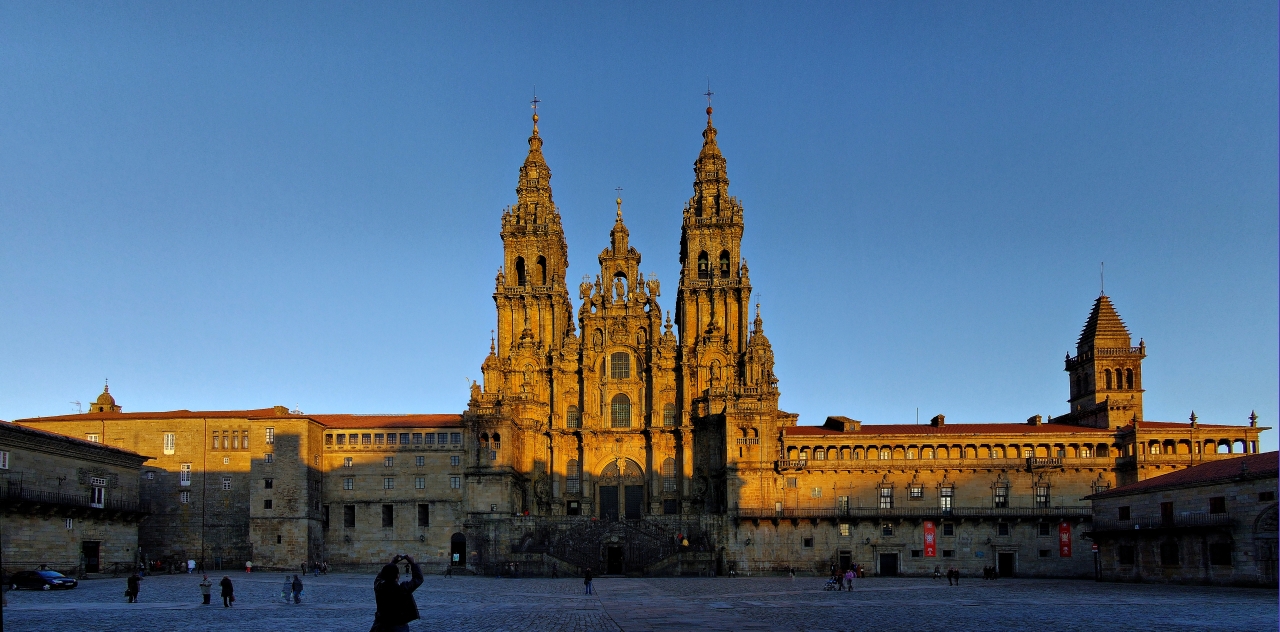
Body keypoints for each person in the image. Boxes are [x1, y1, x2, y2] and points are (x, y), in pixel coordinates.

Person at [370, 554, 424, 632]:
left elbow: (380, 577)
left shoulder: (379, 586)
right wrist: (413, 563)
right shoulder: (402, 589)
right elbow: (418, 579)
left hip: (380, 624)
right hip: (397, 626)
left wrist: (392, 563)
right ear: (397, 576)